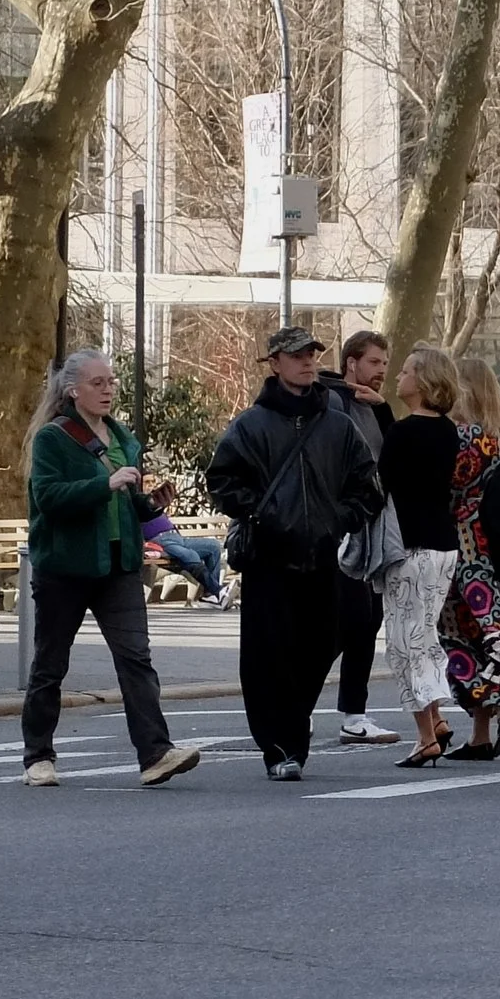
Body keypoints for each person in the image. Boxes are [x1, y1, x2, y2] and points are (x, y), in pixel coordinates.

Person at [205, 326, 385, 779]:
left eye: (311, 354)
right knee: (267, 656)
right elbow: (223, 482)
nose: (307, 361)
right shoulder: (251, 424)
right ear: (274, 363)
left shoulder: (339, 425)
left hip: (323, 558)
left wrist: (338, 521)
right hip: (269, 560)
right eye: (296, 355)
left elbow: (368, 487)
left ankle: (290, 730)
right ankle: (281, 748)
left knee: (319, 647)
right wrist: (264, 518)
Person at [19, 351, 203, 788]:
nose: (107, 390)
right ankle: (38, 757)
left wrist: (150, 502)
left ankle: (155, 753)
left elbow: (127, 503)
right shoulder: (53, 438)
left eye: (111, 382)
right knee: (50, 663)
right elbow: (48, 499)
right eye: (97, 383)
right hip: (66, 567)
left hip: (119, 566)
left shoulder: (121, 437)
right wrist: (106, 484)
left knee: (136, 659)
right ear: (73, 390)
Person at [440, 356, 500, 759]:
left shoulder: (459, 438)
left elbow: (446, 490)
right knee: (498, 627)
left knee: (458, 634)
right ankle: (485, 729)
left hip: (462, 544)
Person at [382, 346, 465, 768]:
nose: (399, 375)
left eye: (408, 370)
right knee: (425, 632)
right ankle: (437, 718)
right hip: (444, 544)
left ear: (424, 381)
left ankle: (425, 734)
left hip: (408, 546)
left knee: (403, 642)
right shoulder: (448, 430)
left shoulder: (403, 433)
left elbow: (382, 481)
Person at [323, 330, 398, 747]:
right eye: (373, 363)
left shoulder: (371, 406)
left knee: (367, 620)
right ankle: (317, 702)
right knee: (353, 619)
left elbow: (391, 456)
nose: (381, 371)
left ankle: (354, 713)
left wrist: (384, 408)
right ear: (351, 362)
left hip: (374, 527)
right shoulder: (334, 402)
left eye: (385, 364)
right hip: (345, 529)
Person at [136, 481, 230, 609]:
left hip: (177, 538)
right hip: (160, 541)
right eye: (148, 482)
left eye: (153, 483)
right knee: (190, 555)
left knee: (213, 546)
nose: (151, 485)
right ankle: (218, 591)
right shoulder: (138, 506)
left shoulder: (155, 505)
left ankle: (209, 596)